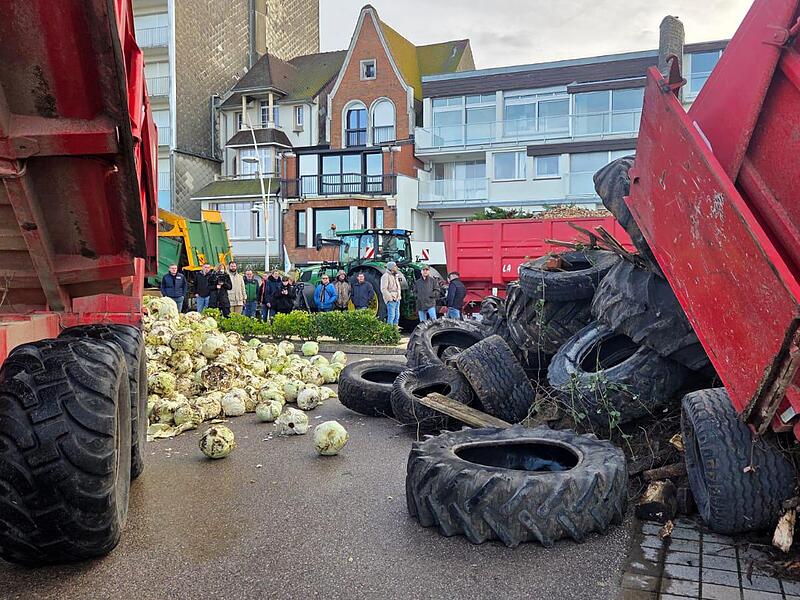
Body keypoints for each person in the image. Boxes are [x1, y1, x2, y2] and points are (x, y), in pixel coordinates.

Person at [380, 261, 402, 326]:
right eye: (395, 266)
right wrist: (390, 298)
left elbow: (398, 287)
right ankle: (390, 331)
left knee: (397, 316)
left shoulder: (395, 276)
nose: (397, 267)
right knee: (391, 316)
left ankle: (395, 331)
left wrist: (399, 296)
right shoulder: (385, 276)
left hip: (397, 299)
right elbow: (383, 289)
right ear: (391, 267)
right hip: (392, 299)